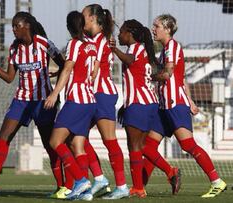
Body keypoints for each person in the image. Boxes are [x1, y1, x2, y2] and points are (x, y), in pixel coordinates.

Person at [0, 11, 65, 196]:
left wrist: (55, 92)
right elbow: (9, 77)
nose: (13, 29)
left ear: (27, 26)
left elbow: (64, 65)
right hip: (21, 100)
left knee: (50, 144)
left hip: (43, 101)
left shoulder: (44, 43)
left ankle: (62, 187)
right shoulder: (14, 48)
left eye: (17, 26)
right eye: (12, 26)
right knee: (3, 136)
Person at [143, 14, 227, 198]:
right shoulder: (165, 50)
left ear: (167, 28)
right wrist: (191, 101)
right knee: (147, 146)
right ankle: (141, 188)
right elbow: (181, 79)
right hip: (165, 106)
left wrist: (148, 77)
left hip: (174, 104)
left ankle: (216, 181)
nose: (153, 28)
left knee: (188, 145)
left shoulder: (172, 46)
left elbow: (168, 74)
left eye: (156, 25)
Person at [44, 10, 97, 200]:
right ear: (82, 25)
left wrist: (54, 93)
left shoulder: (74, 44)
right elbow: (93, 70)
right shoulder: (92, 45)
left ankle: (81, 180)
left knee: (55, 142)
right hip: (90, 100)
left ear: (68, 27)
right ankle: (86, 193)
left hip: (77, 100)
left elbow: (67, 69)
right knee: (77, 145)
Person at [81, 4, 129, 199]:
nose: (80, 18)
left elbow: (96, 68)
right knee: (78, 137)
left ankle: (122, 186)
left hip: (102, 94)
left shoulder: (103, 40)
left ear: (92, 18)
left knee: (109, 141)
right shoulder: (89, 39)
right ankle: (100, 179)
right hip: (90, 94)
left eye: (83, 15)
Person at [109, 19, 161, 198]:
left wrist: (114, 49)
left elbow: (130, 61)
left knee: (135, 147)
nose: (119, 34)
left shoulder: (136, 48)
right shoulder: (140, 49)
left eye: (121, 31)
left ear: (130, 33)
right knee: (138, 146)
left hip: (140, 103)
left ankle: (139, 187)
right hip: (144, 102)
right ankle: (140, 187)